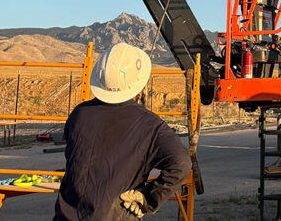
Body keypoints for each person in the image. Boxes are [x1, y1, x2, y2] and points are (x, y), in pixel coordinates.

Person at [54, 42, 190, 220]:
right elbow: (181, 163)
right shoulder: (150, 125)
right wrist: (148, 197)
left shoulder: (78, 115)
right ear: (139, 83)